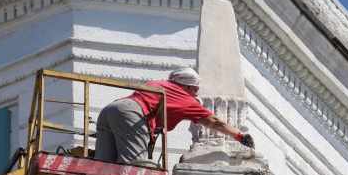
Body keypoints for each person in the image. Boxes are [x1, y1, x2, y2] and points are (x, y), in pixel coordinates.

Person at [94, 67, 255, 164]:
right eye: (195, 89)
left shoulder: (158, 84)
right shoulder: (186, 99)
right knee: (135, 167)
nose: (196, 92)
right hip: (132, 115)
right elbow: (214, 122)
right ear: (187, 86)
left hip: (111, 110)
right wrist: (240, 136)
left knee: (104, 166)